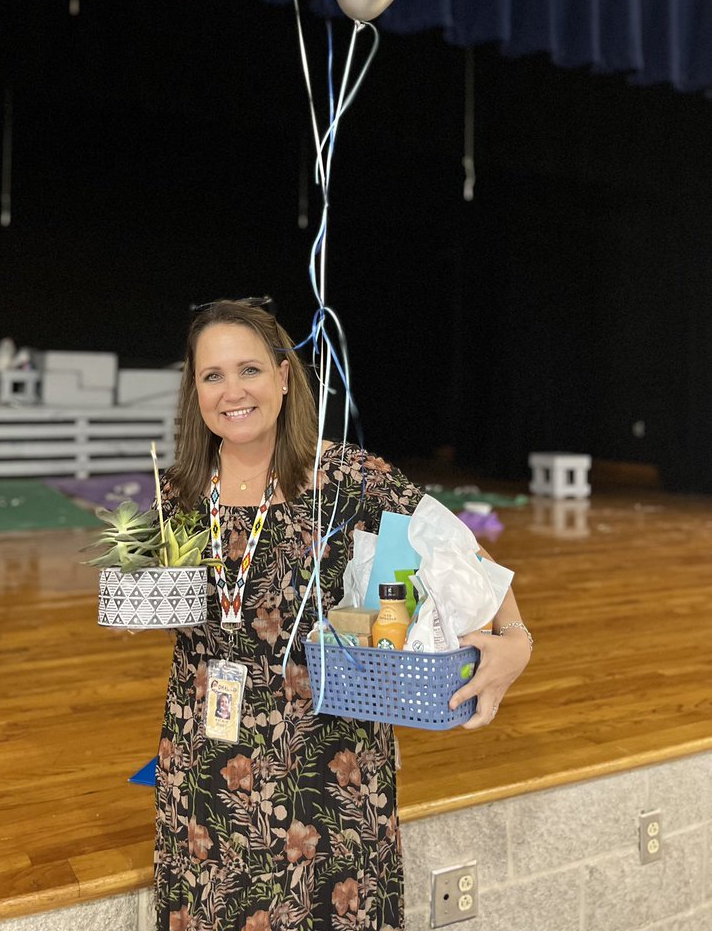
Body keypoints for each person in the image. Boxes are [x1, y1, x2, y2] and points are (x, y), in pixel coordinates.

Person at [154, 299, 531, 931]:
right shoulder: (178, 494)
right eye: (211, 376)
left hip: (330, 766)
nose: (231, 391)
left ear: (284, 375)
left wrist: (515, 638)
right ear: (194, 392)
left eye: (248, 369)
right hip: (206, 770)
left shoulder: (346, 477)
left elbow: (460, 550)